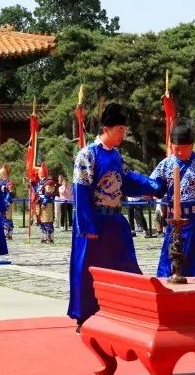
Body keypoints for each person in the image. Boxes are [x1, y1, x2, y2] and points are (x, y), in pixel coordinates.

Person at [68, 103, 165, 330]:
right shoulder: (87, 155)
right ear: (107, 129)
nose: (124, 134)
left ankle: (129, 310)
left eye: (124, 130)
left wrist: (152, 186)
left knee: (125, 267)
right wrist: (88, 225)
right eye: (120, 129)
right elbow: (81, 191)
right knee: (88, 270)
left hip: (114, 221)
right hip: (93, 222)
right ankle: (85, 316)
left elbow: (126, 180)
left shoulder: (116, 155)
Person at [151, 120, 195, 278]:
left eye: (183, 149)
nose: (179, 152)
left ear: (191, 146)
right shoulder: (166, 164)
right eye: (175, 149)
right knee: (172, 264)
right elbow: (153, 184)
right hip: (174, 222)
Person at [0, 164, 15, 240]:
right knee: (2, 218)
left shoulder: (9, 183)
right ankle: (3, 232)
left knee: (7, 218)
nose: (0, 175)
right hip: (1, 203)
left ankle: (8, 233)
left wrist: (7, 202)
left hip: (7, 203)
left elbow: (10, 193)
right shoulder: (1, 183)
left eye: (1, 174)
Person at [39, 179, 56, 243]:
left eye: (51, 187)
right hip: (49, 211)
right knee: (47, 223)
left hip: (46, 210)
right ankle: (48, 237)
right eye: (48, 187)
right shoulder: (51, 195)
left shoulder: (47, 194)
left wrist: (43, 204)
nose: (50, 189)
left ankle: (48, 237)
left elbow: (45, 200)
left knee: (46, 223)